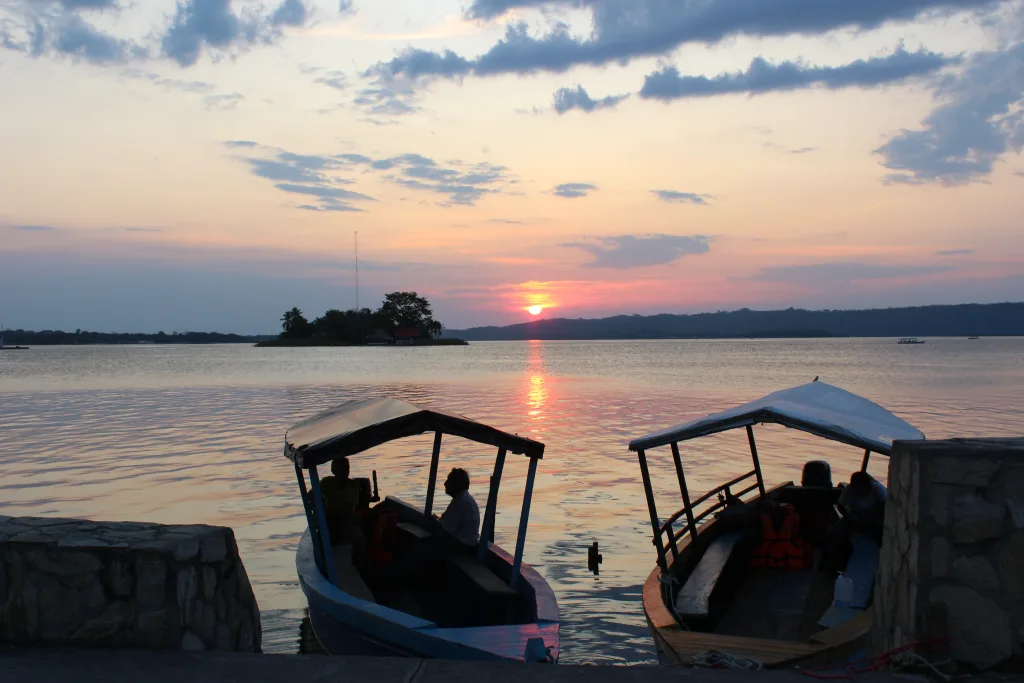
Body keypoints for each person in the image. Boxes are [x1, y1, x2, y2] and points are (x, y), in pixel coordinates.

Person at [319, 457, 366, 567]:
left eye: (347, 468)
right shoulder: (326, 483)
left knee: (361, 539)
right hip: (329, 523)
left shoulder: (353, 485)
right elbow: (312, 496)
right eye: (342, 469)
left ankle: (360, 566)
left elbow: (351, 511)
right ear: (334, 470)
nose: (346, 472)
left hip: (347, 523)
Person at [438, 467, 480, 549]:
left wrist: (440, 522)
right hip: (465, 543)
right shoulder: (462, 498)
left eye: (448, 481)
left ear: (455, 484)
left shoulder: (460, 502)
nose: (445, 483)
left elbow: (448, 529)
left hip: (461, 546)